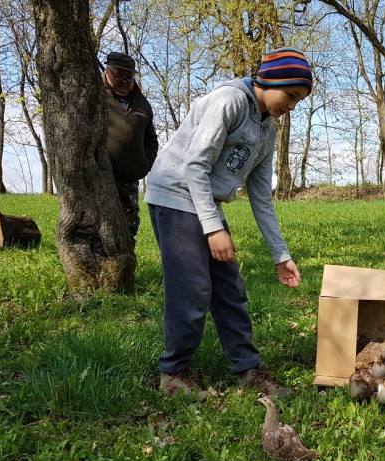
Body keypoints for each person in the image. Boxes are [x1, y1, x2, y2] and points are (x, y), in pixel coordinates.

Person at [144, 48, 313, 399]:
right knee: (192, 289)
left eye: (299, 100)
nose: (293, 105)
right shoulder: (230, 101)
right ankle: (173, 375)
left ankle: (248, 370)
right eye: (291, 95)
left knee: (230, 291)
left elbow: (262, 198)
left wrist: (280, 255)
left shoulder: (267, 133)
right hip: (175, 195)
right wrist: (214, 228)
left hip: (204, 202)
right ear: (271, 81)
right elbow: (194, 165)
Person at [103, 51, 158, 241]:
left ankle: (125, 270)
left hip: (130, 181)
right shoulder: (95, 98)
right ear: (106, 73)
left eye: (129, 76)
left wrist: (144, 164)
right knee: (100, 229)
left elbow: (151, 140)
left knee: (128, 229)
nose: (124, 81)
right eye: (119, 75)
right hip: (101, 177)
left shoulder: (142, 104)